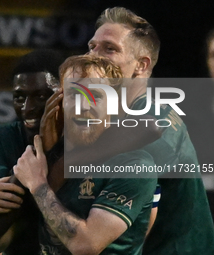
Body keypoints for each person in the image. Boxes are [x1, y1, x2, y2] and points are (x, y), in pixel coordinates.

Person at [81, 7, 214, 254]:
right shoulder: (115, 116)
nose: (93, 56)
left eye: (109, 49)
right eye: (92, 46)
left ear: (141, 66)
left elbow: (93, 238)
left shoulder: (155, 128)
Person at [13, 54, 157, 255]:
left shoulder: (134, 164)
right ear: (60, 102)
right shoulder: (47, 157)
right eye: (74, 95)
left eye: (96, 96)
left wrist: (38, 186)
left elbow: (85, 246)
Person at [0, 49, 66, 255]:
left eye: (41, 96)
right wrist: (41, 149)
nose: (28, 108)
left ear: (63, 95)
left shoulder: (87, 143)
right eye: (19, 97)